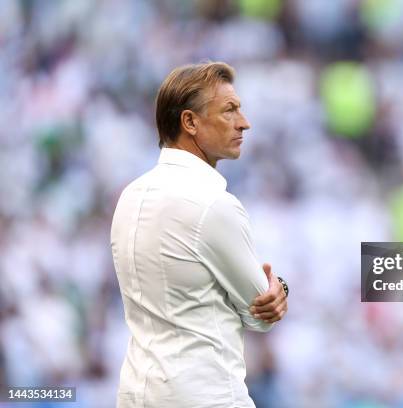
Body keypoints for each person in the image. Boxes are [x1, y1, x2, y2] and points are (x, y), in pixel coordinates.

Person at [110, 62, 289, 408]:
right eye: (229, 110)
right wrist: (279, 287)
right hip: (206, 395)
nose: (244, 122)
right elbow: (259, 313)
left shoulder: (129, 196)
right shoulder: (213, 204)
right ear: (190, 122)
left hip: (136, 393)